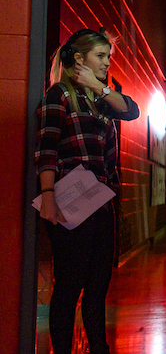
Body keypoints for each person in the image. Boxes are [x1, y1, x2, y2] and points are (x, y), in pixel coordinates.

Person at [34, 28, 140, 354]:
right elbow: (46, 150)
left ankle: (100, 349)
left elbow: (131, 110)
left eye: (108, 57)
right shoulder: (59, 96)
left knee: (97, 288)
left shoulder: (101, 101)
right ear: (79, 59)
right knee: (68, 287)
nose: (107, 62)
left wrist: (98, 86)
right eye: (101, 56)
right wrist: (48, 197)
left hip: (101, 201)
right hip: (70, 199)